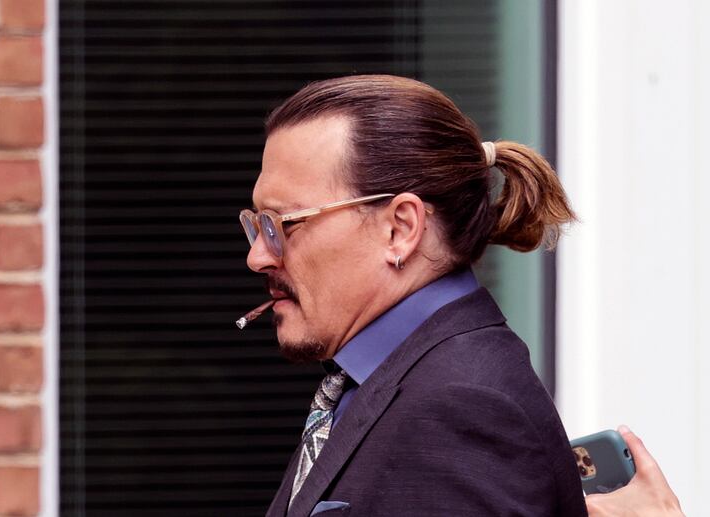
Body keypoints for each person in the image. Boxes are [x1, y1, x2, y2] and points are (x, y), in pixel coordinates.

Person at [238, 74, 666, 516]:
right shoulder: (386, 383)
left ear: (401, 228)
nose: (258, 256)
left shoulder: (461, 408)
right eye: (256, 224)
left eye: (283, 224)